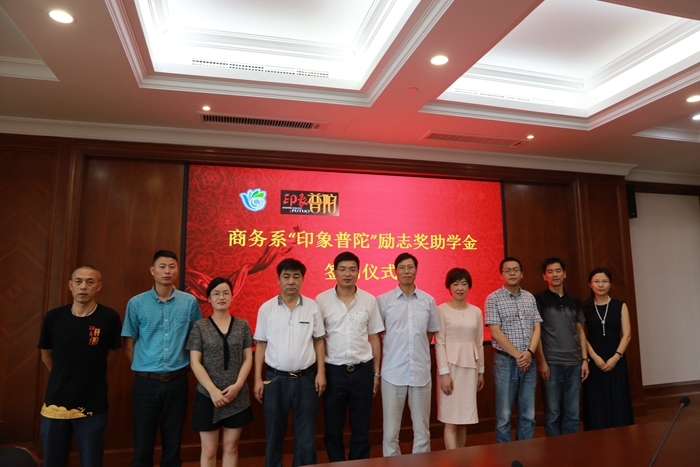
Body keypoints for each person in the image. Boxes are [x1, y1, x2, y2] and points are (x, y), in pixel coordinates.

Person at [122, 250, 202, 467]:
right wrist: (144, 366)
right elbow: (128, 343)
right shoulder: (136, 303)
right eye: (162, 266)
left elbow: (196, 339)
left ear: (177, 270)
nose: (167, 271)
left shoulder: (189, 302)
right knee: (143, 444)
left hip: (177, 382)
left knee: (173, 443)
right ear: (152, 270)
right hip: (145, 384)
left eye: (172, 267)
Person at [38, 266, 122, 467]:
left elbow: (113, 353)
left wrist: (91, 373)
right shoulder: (54, 317)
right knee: (52, 461)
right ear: (70, 285)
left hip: (92, 403)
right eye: (78, 281)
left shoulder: (109, 317)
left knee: (91, 461)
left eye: (90, 282)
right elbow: (45, 353)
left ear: (98, 286)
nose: (83, 286)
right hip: (56, 403)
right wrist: (62, 374)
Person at [253, 258, 326, 467]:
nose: (291, 281)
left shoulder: (312, 307)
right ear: (278, 279)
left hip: (306, 379)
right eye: (286, 276)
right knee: (274, 434)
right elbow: (261, 345)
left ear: (302, 279)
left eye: (296, 276)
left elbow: (319, 341)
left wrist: (321, 373)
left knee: (306, 437)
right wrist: (257, 379)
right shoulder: (266, 309)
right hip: (275, 380)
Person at [316, 252, 384, 461]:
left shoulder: (369, 300)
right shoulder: (321, 300)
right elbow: (318, 339)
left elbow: (374, 337)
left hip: (362, 372)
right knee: (333, 428)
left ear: (358, 272)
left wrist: (376, 374)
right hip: (333, 372)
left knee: (361, 428)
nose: (347, 274)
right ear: (334, 272)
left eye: (352, 269)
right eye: (343, 269)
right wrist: (320, 373)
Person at [377, 252, 440, 456]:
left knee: (422, 431)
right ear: (395, 271)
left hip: (420, 373)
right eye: (402, 267)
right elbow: (377, 335)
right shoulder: (383, 301)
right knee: (390, 433)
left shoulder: (428, 300)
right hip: (392, 373)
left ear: (416, 270)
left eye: (410, 267)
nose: (406, 271)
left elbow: (429, 332)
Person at [187, 278, 254, 467]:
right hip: (207, 396)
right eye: (216, 293)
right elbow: (195, 362)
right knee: (209, 450)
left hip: (237, 395)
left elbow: (248, 358)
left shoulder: (242, 325)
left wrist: (238, 385)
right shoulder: (200, 327)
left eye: (225, 293)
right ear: (209, 298)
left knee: (231, 447)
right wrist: (213, 391)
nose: (221, 297)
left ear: (232, 296)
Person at [485, 257, 542, 443]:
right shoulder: (493, 298)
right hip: (505, 362)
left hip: (529, 360)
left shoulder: (529, 297)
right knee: (504, 416)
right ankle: (506, 455)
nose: (512, 273)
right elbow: (495, 332)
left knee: (529, 415)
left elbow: (537, 328)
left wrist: (530, 353)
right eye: (507, 270)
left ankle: (526, 453)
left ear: (522, 274)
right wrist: (519, 356)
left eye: (515, 270)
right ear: (501, 275)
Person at [535, 257, 589, 437]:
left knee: (573, 413)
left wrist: (584, 360)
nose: (554, 275)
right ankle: (554, 449)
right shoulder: (539, 299)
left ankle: (571, 448)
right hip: (552, 363)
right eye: (550, 272)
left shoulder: (574, 299)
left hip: (575, 363)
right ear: (544, 276)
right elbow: (537, 333)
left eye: (558, 271)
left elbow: (580, 331)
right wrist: (542, 361)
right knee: (552, 413)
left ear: (564, 274)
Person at [435, 268, 485, 450]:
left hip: (470, 369)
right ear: (449, 287)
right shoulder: (441, 310)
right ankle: (453, 459)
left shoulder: (476, 311)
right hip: (450, 369)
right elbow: (439, 343)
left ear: (469, 286)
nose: (460, 288)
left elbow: (479, 343)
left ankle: (461, 459)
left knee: (465, 420)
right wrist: (444, 373)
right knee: (451, 421)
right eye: (455, 284)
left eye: (464, 284)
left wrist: (481, 371)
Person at [582, 267, 634, 430]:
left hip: (616, 356)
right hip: (593, 357)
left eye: (604, 281)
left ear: (610, 284)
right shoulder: (584, 307)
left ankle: (622, 434)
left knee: (617, 397)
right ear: (590, 284)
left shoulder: (620, 305)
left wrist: (616, 357)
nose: (600, 285)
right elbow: (580, 335)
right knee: (595, 398)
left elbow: (627, 335)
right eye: (596, 281)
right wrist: (594, 357)